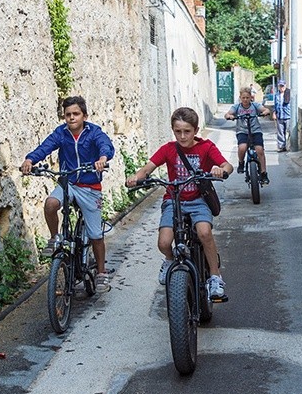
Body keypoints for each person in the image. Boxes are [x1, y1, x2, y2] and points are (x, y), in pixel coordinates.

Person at [125, 107, 234, 300]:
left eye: (187, 131)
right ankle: (169, 260)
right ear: (173, 130)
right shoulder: (168, 149)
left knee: (204, 233)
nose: (182, 136)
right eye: (178, 131)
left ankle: (215, 277)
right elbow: (148, 168)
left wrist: (220, 169)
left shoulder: (206, 147)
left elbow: (227, 165)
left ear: (196, 130)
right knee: (165, 242)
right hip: (173, 200)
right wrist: (136, 177)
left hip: (198, 200)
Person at [20, 96, 115, 293]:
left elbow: (105, 145)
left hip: (89, 187)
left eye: (76, 114)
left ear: (84, 116)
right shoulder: (61, 134)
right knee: (51, 204)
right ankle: (55, 238)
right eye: (68, 115)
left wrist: (102, 158)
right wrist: (30, 160)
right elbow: (45, 147)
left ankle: (101, 272)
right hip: (68, 182)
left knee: (96, 235)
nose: (71, 118)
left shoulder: (93, 132)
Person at [224, 86, 272, 184]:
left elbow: (265, 109)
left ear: (251, 97)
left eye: (247, 98)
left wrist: (265, 112)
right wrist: (230, 116)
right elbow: (227, 114)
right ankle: (241, 162)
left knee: (260, 150)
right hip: (242, 131)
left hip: (255, 130)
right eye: (243, 98)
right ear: (240, 98)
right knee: (242, 148)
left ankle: (263, 173)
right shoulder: (237, 107)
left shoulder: (255, 106)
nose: (245, 100)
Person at [273, 80, 291, 152]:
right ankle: (281, 146)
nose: (281, 87)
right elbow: (275, 105)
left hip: (288, 115)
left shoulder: (288, 93)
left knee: (288, 131)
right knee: (280, 132)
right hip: (279, 115)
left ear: (285, 85)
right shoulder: (276, 95)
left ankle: (289, 146)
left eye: (283, 86)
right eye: (280, 86)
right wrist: (274, 113)